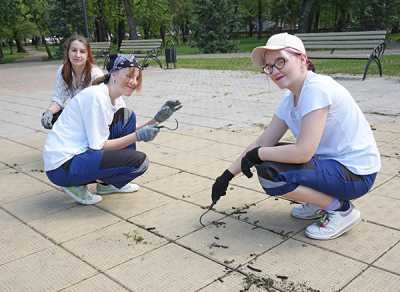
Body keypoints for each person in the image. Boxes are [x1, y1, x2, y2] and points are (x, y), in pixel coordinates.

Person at [211, 33, 380, 240]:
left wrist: (258, 155)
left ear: (302, 59)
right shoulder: (290, 98)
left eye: (280, 61)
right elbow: (262, 142)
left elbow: (302, 153)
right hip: (333, 165)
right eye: (268, 66)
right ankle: (320, 201)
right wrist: (226, 176)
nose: (273, 71)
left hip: (356, 174)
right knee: (271, 155)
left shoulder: (316, 88)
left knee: (270, 172)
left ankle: (341, 209)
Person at [43, 54, 182, 205]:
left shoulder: (114, 98)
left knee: (127, 117)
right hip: (62, 167)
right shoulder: (96, 97)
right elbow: (99, 145)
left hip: (79, 154)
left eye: (137, 78)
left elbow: (129, 130)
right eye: (129, 76)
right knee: (139, 162)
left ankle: (106, 185)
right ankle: (74, 184)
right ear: (114, 73)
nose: (134, 82)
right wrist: (138, 136)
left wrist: (156, 119)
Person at [41, 34, 104, 129]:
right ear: (68, 52)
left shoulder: (95, 74)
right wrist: (49, 112)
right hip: (80, 112)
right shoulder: (63, 70)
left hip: (96, 114)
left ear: (87, 55)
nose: (77, 55)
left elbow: (100, 105)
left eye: (82, 52)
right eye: (74, 50)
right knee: (52, 117)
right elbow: (59, 98)